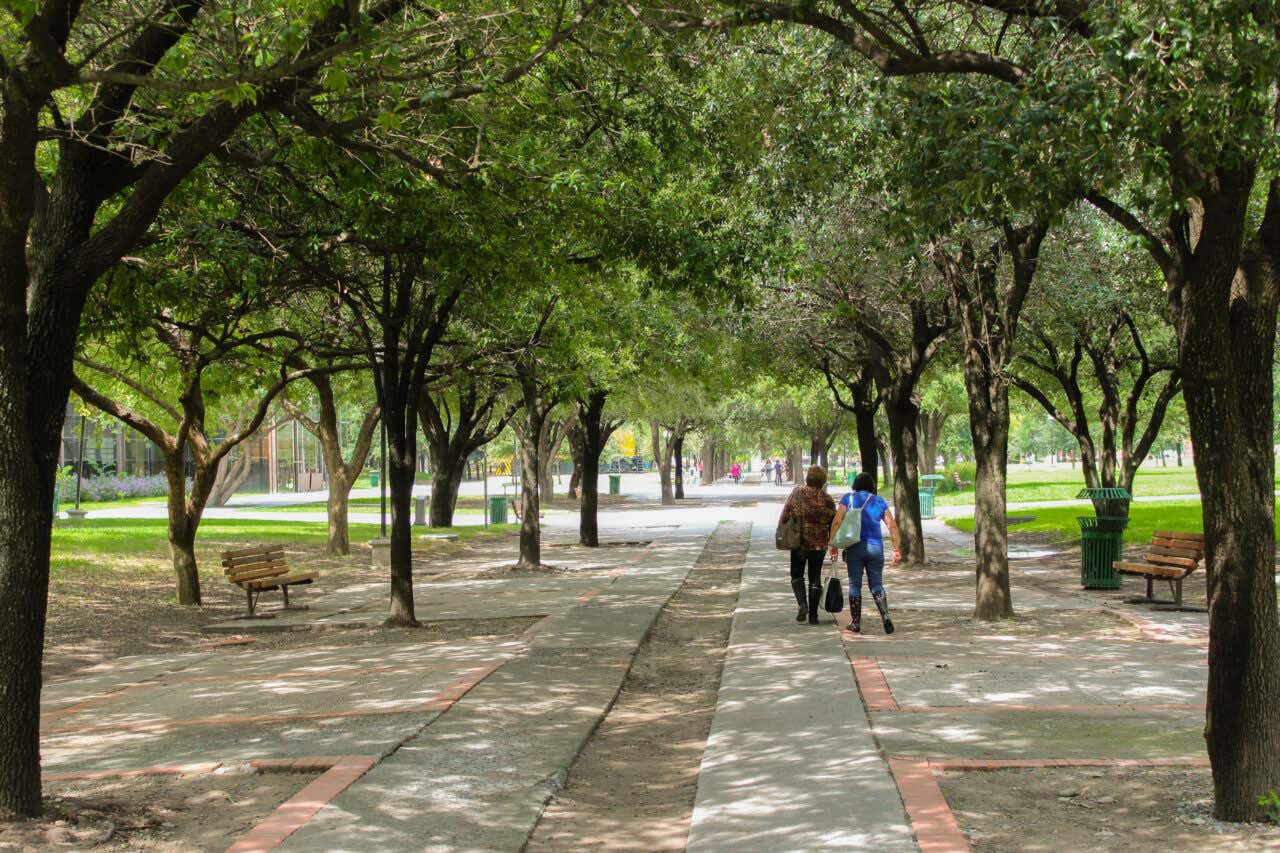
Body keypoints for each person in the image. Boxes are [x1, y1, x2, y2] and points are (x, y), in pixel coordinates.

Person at [829, 472, 901, 635]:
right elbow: (892, 526)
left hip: (855, 547)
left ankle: (855, 623)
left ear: (855, 485)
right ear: (871, 486)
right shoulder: (880, 501)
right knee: (876, 584)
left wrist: (833, 544)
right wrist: (896, 549)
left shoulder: (848, 499)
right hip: (876, 548)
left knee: (855, 584)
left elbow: (837, 521)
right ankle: (885, 617)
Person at [779, 466, 837, 625]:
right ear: (823, 481)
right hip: (819, 544)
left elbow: (784, 515)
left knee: (797, 575)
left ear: (808, 478)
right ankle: (813, 616)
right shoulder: (827, 498)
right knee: (815, 577)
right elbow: (834, 521)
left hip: (799, 542)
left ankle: (802, 605)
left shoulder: (797, 493)